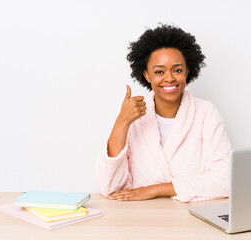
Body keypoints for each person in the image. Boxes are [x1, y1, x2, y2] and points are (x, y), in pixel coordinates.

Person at [94, 24, 231, 202]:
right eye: (159, 71)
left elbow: (225, 181)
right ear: (146, 75)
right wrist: (122, 122)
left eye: (177, 70)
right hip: (139, 217)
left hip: (192, 218)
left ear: (187, 71)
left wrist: (155, 190)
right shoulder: (132, 115)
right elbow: (108, 186)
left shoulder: (206, 113)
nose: (169, 78)